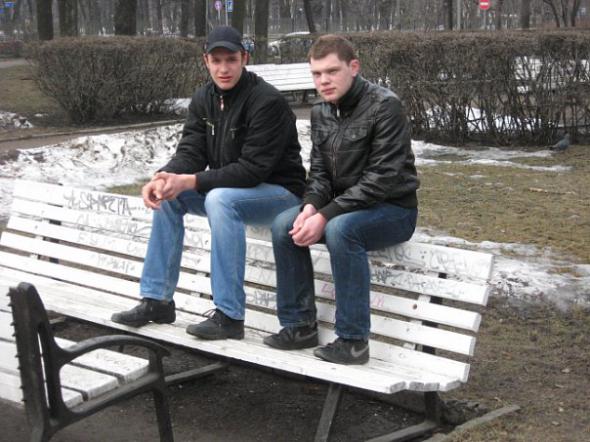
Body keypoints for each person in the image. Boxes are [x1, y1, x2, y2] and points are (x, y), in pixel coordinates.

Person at [111, 26, 306, 340]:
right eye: (216, 61)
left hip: (281, 195)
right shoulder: (204, 98)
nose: (223, 68)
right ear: (206, 61)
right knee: (170, 195)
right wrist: (164, 178)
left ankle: (229, 316)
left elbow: (252, 170)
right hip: (231, 191)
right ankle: (157, 300)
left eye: (231, 59)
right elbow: (191, 151)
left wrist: (191, 180)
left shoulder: (267, 101)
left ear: (245, 58)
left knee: (220, 200)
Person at [263, 35, 419, 365]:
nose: (324, 81)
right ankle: (299, 326)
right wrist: (310, 206)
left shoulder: (385, 106)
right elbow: (320, 173)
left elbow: (381, 179)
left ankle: (353, 341)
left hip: (393, 209)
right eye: (317, 74)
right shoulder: (321, 111)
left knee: (340, 230)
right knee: (284, 225)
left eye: (332, 71)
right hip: (345, 207)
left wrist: (325, 215)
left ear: (354, 67)